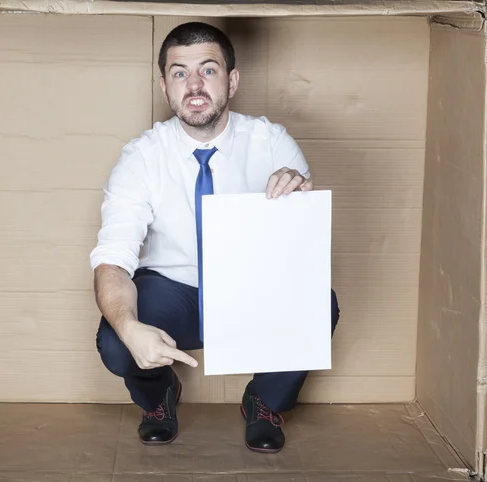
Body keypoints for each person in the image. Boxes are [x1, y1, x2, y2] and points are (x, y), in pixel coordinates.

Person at [90, 21, 340, 454]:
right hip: (173, 291)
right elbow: (113, 258)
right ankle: (158, 395)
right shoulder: (141, 157)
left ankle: (264, 402)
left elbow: (301, 255)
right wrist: (130, 328)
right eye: (179, 72)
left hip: (251, 288)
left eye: (208, 69)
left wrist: (296, 193)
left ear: (232, 79)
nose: (194, 84)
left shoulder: (271, 141)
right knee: (115, 339)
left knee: (321, 303)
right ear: (165, 87)